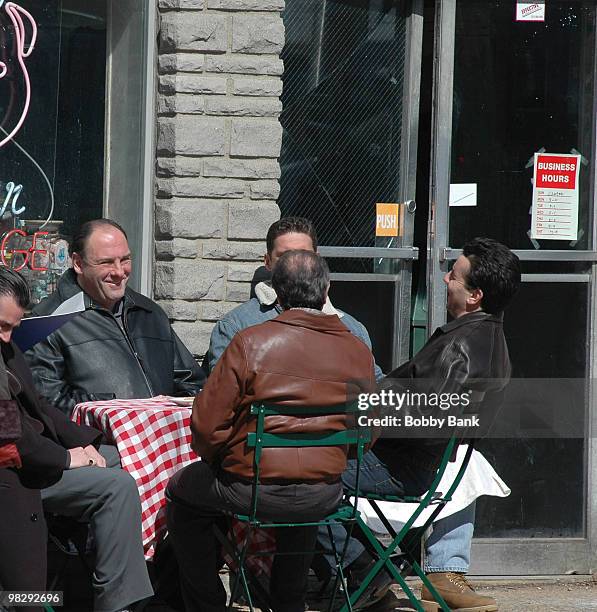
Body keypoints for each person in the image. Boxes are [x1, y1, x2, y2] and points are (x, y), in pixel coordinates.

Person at [166, 250, 376, 612]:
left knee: (180, 492)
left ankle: (207, 605)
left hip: (250, 488)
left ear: (276, 293)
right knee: (308, 491)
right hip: (322, 492)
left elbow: (205, 425)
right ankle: (287, 603)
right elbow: (366, 434)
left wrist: (223, 460)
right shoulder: (358, 349)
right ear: (326, 289)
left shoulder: (250, 342)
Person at [319, 237, 521, 611]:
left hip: (401, 467)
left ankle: (364, 569)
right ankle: (366, 570)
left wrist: (359, 412)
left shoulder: (461, 347)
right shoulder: (487, 340)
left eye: (455, 276)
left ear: (475, 295)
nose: (445, 279)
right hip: (414, 464)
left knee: (296, 472)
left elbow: (430, 424)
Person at [0, 267, 154, 612]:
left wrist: (90, 442)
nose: (8, 337)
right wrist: (69, 458)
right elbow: (11, 438)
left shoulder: (6, 350)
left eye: (14, 327)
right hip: (16, 477)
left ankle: (127, 584)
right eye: (2, 326)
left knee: (125, 456)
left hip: (35, 459)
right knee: (118, 486)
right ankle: (117, 602)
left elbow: (39, 406)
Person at [26, 218, 205, 415]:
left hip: (160, 443)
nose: (119, 272)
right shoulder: (46, 321)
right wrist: (112, 412)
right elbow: (47, 405)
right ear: (78, 263)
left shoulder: (150, 313)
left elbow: (191, 383)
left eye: (125, 260)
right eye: (106, 262)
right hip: (98, 445)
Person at [206, 216, 383, 380]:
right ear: (267, 262)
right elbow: (221, 394)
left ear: (318, 260)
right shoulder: (237, 326)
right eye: (285, 257)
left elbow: (376, 389)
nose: (295, 264)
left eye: (304, 255)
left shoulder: (353, 329)